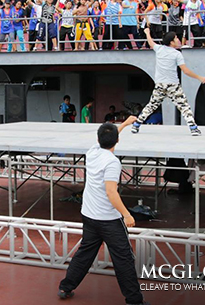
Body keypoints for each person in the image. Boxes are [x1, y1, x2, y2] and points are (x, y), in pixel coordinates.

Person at [58, 118, 149, 305]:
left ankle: (66, 286)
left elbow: (110, 135)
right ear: (117, 141)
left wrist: (124, 124)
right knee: (123, 258)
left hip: (89, 215)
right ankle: (134, 300)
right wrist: (127, 214)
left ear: (98, 139)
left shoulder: (92, 152)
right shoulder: (112, 162)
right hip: (109, 220)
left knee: (85, 252)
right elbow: (111, 192)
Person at [132, 29, 205, 136]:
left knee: (151, 105)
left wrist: (147, 32)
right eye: (176, 38)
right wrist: (199, 77)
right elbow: (185, 71)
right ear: (171, 41)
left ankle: (136, 125)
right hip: (173, 85)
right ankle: (193, 128)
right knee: (184, 106)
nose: (178, 40)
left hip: (160, 84)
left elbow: (151, 43)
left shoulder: (159, 49)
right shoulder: (177, 54)